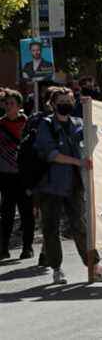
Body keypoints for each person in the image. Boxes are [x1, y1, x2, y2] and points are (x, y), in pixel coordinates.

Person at [35, 87, 102, 284]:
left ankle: (94, 266)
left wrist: (91, 108)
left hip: (74, 185)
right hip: (50, 186)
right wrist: (78, 162)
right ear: (52, 104)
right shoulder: (46, 125)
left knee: (80, 226)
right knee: (51, 228)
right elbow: (51, 154)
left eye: (70, 100)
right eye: (62, 101)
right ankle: (56, 269)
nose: (66, 104)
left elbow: (93, 137)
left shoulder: (78, 123)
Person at [0, 90, 33, 260]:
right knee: (6, 213)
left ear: (19, 106)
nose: (8, 106)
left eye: (12, 103)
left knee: (27, 212)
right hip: (5, 175)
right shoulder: (0, 124)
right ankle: (3, 248)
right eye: (6, 103)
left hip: (24, 175)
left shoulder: (28, 124)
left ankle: (27, 247)